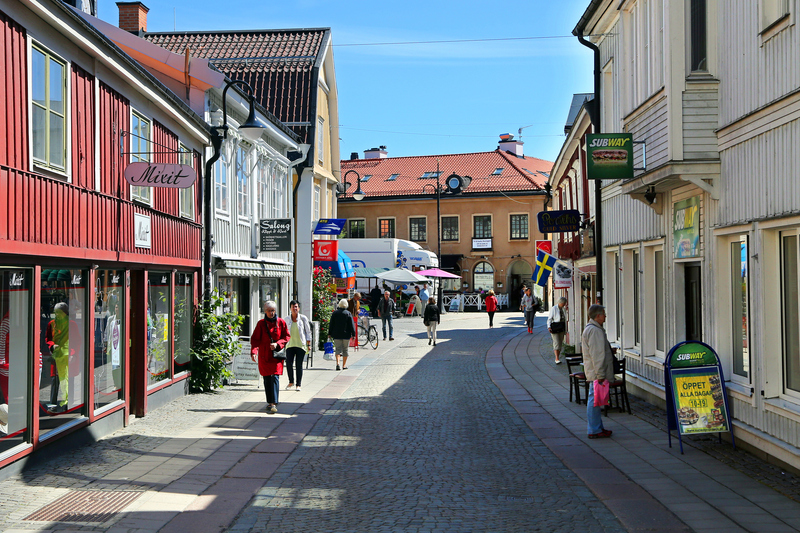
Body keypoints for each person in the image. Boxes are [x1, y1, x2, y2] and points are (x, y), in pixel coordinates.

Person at [250, 301, 290, 414]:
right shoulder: (261, 324)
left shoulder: (281, 322)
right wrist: (254, 352)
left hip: (276, 356)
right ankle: (270, 402)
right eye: (269, 311)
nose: (271, 313)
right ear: (265, 311)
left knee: (275, 377)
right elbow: (255, 339)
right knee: (267, 378)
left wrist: (278, 344)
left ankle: (274, 403)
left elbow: (286, 336)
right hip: (264, 356)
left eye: (273, 310)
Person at [582, 304, 615, 439]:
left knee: (596, 400)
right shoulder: (595, 331)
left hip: (594, 371)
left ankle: (597, 427)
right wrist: (601, 374)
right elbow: (597, 355)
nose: (605, 316)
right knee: (594, 400)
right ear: (598, 316)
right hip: (596, 373)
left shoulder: (593, 329)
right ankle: (594, 430)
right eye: (603, 314)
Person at [45, 302, 81, 411]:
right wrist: (52, 346)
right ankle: (53, 404)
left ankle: (69, 404)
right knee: (54, 381)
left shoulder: (72, 324)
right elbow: (48, 339)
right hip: (57, 356)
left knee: (68, 380)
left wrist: (73, 353)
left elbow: (77, 341)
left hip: (67, 355)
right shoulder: (51, 324)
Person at [283, 300, 312, 392]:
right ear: (290, 308)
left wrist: (309, 344)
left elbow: (308, 332)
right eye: (293, 307)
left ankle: (298, 384)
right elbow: (283, 332)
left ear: (299, 308)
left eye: (296, 307)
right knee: (288, 364)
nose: (295, 308)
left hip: (301, 345)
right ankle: (291, 381)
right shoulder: (286, 319)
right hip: (290, 345)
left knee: (299, 365)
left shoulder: (303, 318)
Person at [329, 299, 356, 370]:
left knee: (337, 349)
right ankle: (344, 365)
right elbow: (351, 325)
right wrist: (353, 334)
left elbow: (331, 324)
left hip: (336, 334)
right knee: (345, 349)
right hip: (346, 335)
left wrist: (329, 333)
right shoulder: (348, 313)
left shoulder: (335, 313)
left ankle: (337, 364)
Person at [548, 297, 568, 364]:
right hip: (555, 327)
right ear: (561, 303)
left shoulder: (564, 309)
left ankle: (558, 356)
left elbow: (565, 319)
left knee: (560, 342)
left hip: (561, 327)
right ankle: (556, 358)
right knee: (556, 342)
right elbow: (549, 319)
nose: (564, 304)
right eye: (564, 303)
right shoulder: (554, 308)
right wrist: (549, 327)